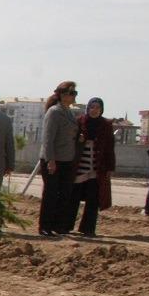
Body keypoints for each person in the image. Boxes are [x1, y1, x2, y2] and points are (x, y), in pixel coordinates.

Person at [38, 81, 79, 236]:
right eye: (71, 93)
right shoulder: (54, 112)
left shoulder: (69, 112)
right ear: (62, 95)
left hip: (67, 159)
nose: (74, 96)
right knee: (51, 194)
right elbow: (48, 139)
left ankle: (58, 226)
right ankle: (45, 226)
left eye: (75, 93)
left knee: (64, 194)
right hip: (53, 160)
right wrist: (50, 160)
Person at [71, 97, 115, 237]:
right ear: (88, 108)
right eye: (92, 107)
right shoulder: (80, 121)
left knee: (93, 199)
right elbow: (71, 140)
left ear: (101, 109)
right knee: (73, 197)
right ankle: (66, 226)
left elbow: (110, 147)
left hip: (97, 166)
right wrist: (79, 140)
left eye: (97, 107)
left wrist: (110, 167)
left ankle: (88, 228)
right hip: (80, 165)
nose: (94, 110)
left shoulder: (106, 125)